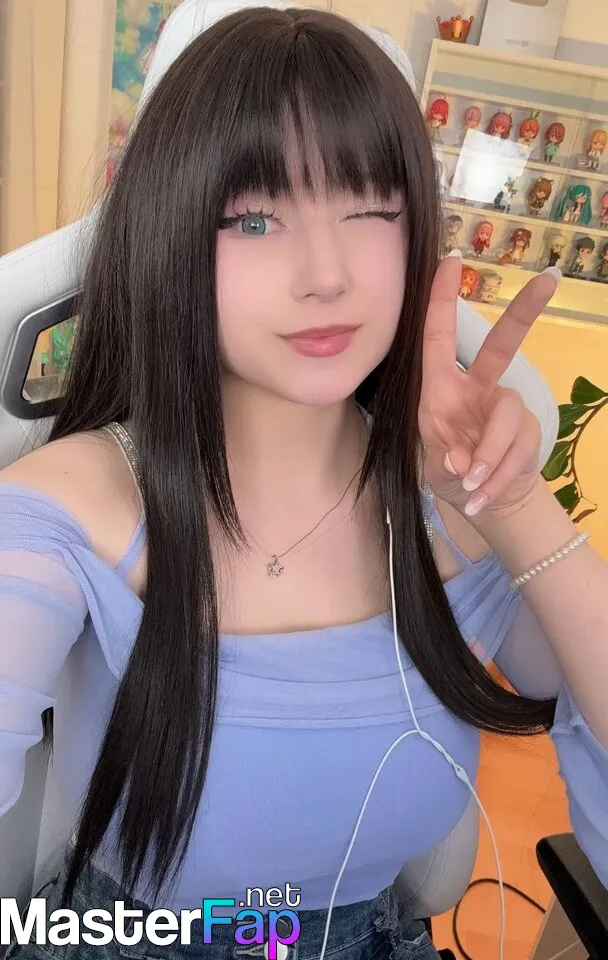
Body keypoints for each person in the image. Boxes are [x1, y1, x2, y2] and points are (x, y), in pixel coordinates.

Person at [2, 7, 608, 960]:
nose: (326, 275)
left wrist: (516, 508)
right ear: (170, 233)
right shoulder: (74, 509)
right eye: (255, 218)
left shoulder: (461, 522)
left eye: (370, 209)